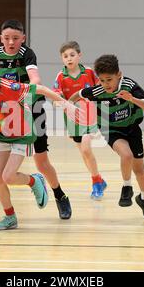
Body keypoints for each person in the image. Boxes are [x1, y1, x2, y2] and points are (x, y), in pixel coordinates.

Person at [0, 42, 80, 230]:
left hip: (22, 134)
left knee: (8, 176)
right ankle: (10, 217)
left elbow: (40, 89)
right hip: (2, 136)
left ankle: (35, 180)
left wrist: (64, 103)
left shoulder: (9, 87)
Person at [69, 54, 144, 219]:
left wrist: (132, 99)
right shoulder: (98, 91)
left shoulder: (130, 86)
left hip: (132, 128)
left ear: (119, 75)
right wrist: (67, 105)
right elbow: (78, 94)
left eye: (109, 80)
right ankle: (127, 187)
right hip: (111, 130)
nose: (105, 84)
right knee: (126, 155)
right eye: (101, 80)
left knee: (139, 169)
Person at [53, 41, 107, 200]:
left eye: (72, 55)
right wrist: (61, 103)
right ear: (62, 59)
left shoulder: (89, 72)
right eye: (65, 56)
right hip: (72, 119)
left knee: (85, 149)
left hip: (90, 115)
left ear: (79, 55)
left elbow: (101, 88)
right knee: (84, 153)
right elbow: (56, 97)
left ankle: (96, 183)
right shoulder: (61, 76)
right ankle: (98, 179)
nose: (69, 59)